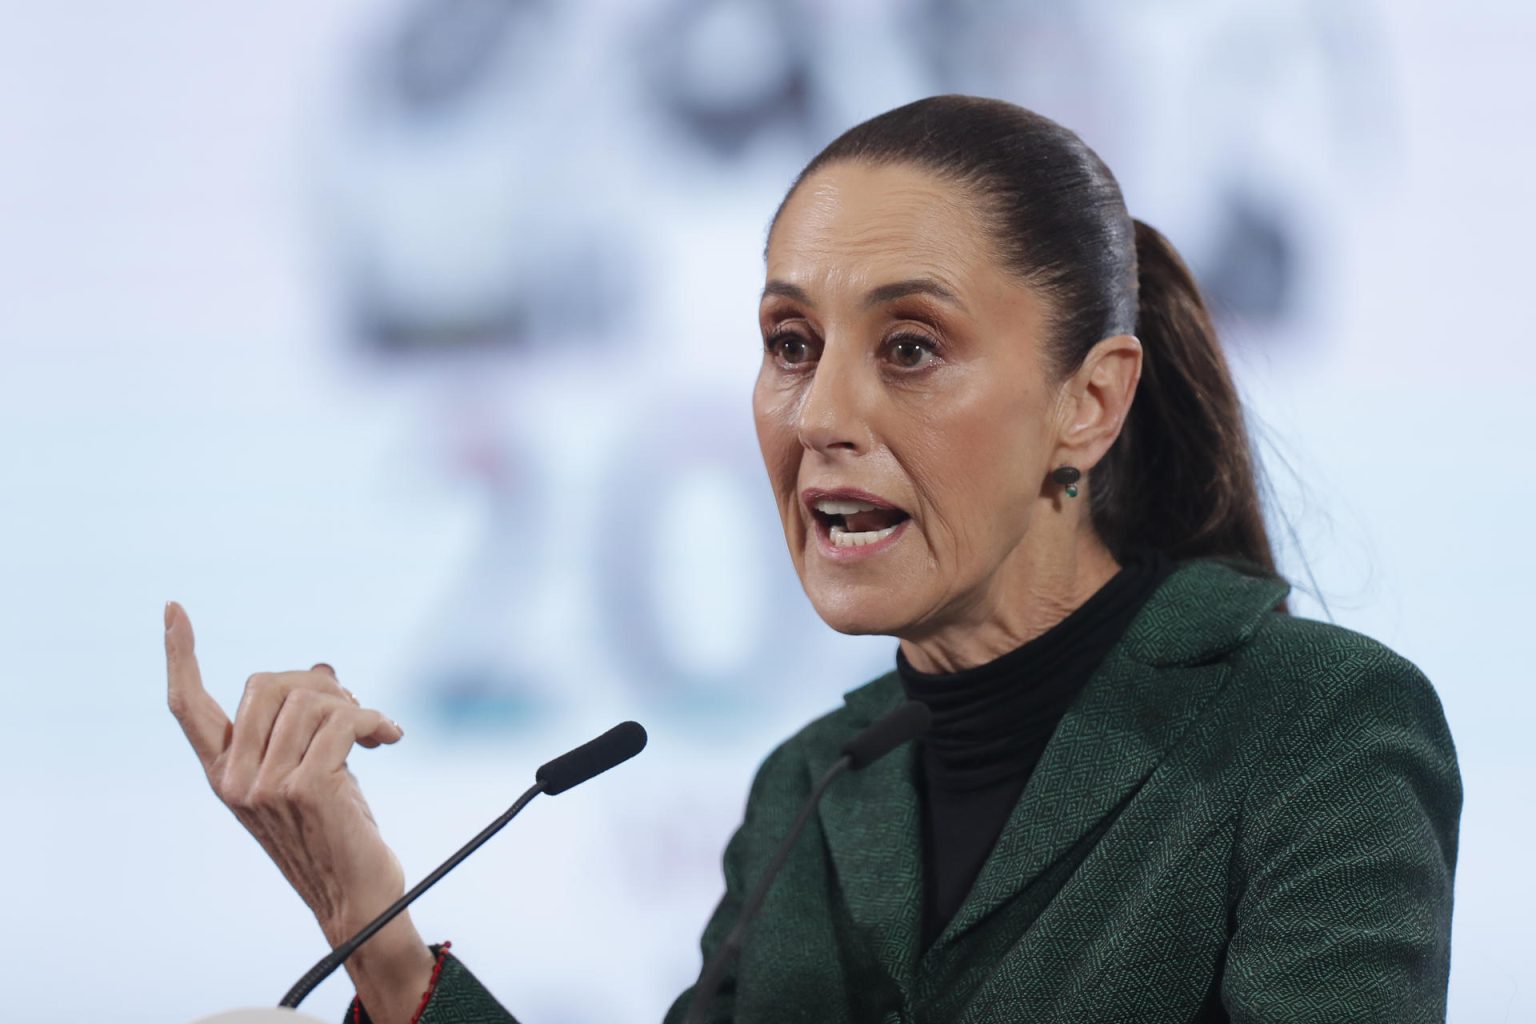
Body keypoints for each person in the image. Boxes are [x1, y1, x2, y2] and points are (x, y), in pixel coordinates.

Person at [165, 95, 1461, 1024]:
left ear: (1091, 401)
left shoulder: (1312, 727)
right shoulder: (814, 790)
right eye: (791, 343)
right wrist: (373, 924)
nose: (821, 416)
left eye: (908, 346)